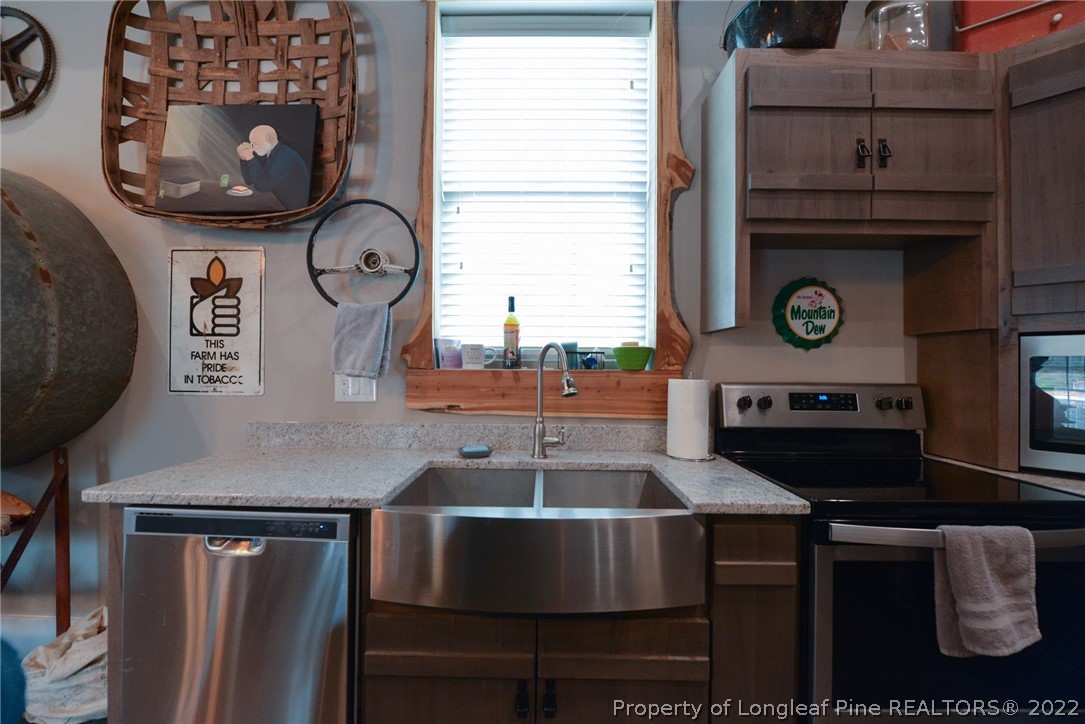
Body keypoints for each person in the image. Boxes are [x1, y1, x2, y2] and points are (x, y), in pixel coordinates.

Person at [235, 124, 310, 210]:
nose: (253, 148)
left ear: (267, 139)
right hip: (283, 203)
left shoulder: (285, 156)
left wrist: (250, 158)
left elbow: (263, 186)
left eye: (255, 143)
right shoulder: (272, 153)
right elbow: (249, 181)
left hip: (295, 208)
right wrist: (244, 159)